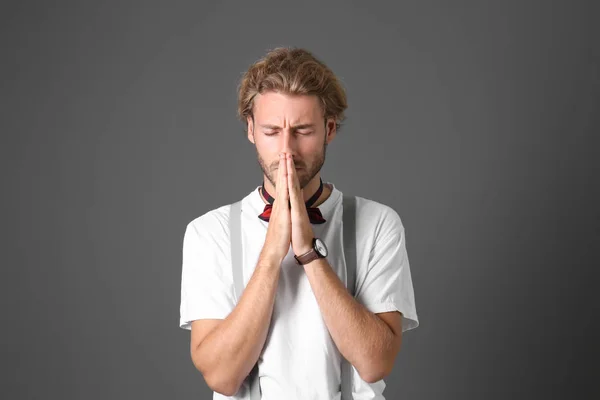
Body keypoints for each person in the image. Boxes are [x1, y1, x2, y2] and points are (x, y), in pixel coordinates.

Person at [179, 47, 419, 399]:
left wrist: (308, 252)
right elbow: (221, 377)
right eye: (272, 130)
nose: (286, 150)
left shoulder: (378, 223)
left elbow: (375, 363)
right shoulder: (209, 233)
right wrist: (272, 253)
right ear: (251, 130)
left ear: (330, 129)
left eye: (303, 130)